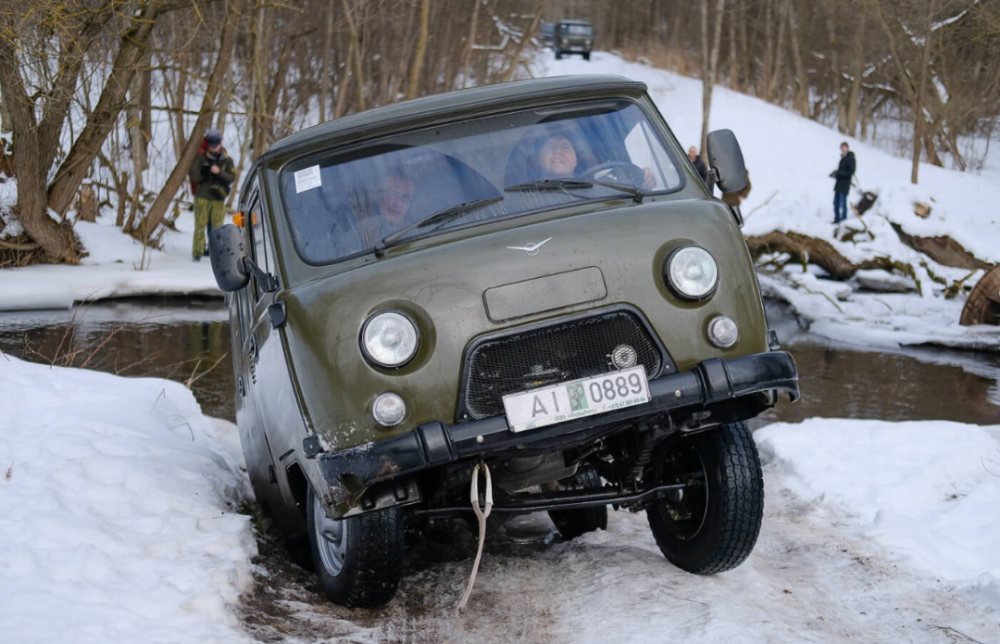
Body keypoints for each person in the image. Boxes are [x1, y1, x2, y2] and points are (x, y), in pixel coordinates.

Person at [534, 132, 657, 189]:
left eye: (565, 147)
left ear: (575, 161)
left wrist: (644, 180)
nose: (557, 151)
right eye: (550, 146)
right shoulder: (521, 200)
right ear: (538, 160)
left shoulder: (601, 187)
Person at [189, 129, 236, 261]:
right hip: (202, 197)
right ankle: (197, 253)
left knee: (217, 227)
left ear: (220, 144)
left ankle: (216, 253)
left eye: (215, 145)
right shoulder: (201, 158)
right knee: (200, 225)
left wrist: (218, 172)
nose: (213, 148)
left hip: (218, 198)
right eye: (211, 145)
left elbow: (231, 177)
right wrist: (206, 171)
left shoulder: (227, 160)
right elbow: (194, 176)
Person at [831, 141, 856, 224]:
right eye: (841, 148)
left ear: (847, 148)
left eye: (844, 148)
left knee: (843, 203)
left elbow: (850, 172)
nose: (842, 149)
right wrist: (835, 174)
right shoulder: (843, 158)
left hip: (845, 185)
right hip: (838, 184)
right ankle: (837, 219)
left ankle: (843, 220)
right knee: (836, 202)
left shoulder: (851, 158)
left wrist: (839, 173)